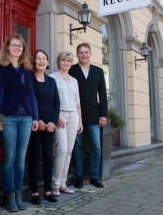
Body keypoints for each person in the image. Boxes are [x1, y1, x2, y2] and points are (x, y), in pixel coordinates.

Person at [0, 34, 39, 212]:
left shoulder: (27, 70)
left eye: (20, 46)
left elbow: (31, 96)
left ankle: (18, 194)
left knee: (20, 159)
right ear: (8, 48)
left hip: (26, 118)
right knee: (9, 158)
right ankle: (9, 195)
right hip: (8, 117)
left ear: (22, 49)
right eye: (14, 45)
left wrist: (35, 117)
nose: (17, 48)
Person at [69, 43, 108, 189]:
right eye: (81, 53)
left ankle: (94, 176)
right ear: (77, 55)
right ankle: (78, 176)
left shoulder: (98, 71)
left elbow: (103, 94)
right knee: (77, 145)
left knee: (96, 146)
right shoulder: (72, 70)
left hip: (94, 115)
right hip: (76, 115)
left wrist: (104, 114)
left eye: (86, 52)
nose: (83, 55)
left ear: (90, 53)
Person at [28, 50, 60, 204]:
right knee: (34, 158)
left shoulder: (52, 81)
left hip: (49, 126)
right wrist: (37, 119)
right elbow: (27, 101)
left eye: (44, 59)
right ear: (34, 62)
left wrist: (53, 122)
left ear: (47, 62)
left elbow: (56, 103)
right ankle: (34, 193)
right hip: (35, 125)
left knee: (48, 158)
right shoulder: (29, 79)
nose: (41, 61)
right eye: (38, 58)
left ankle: (48, 191)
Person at [50, 51, 83, 196]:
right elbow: (50, 101)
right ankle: (55, 184)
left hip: (74, 116)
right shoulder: (52, 78)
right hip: (60, 115)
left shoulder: (74, 81)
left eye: (69, 61)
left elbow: (78, 103)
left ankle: (63, 183)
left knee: (69, 150)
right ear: (59, 62)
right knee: (62, 149)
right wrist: (56, 117)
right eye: (63, 60)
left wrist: (80, 121)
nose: (66, 63)